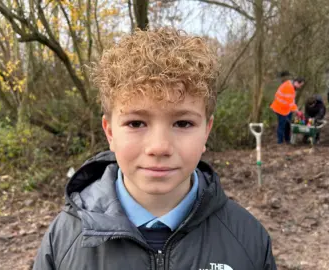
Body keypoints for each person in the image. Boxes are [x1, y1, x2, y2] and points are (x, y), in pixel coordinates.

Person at [32, 28, 276, 270]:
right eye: (136, 123)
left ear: (206, 132)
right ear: (110, 132)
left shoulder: (248, 240)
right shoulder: (63, 241)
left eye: (183, 123)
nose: (159, 147)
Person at [270, 76, 305, 144]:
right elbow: (290, 103)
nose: (300, 87)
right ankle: (280, 142)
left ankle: (287, 140)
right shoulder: (289, 88)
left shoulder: (290, 84)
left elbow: (291, 101)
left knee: (288, 124)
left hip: (286, 108)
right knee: (282, 125)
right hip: (280, 108)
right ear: (296, 82)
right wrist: (297, 111)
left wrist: (296, 110)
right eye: (300, 85)